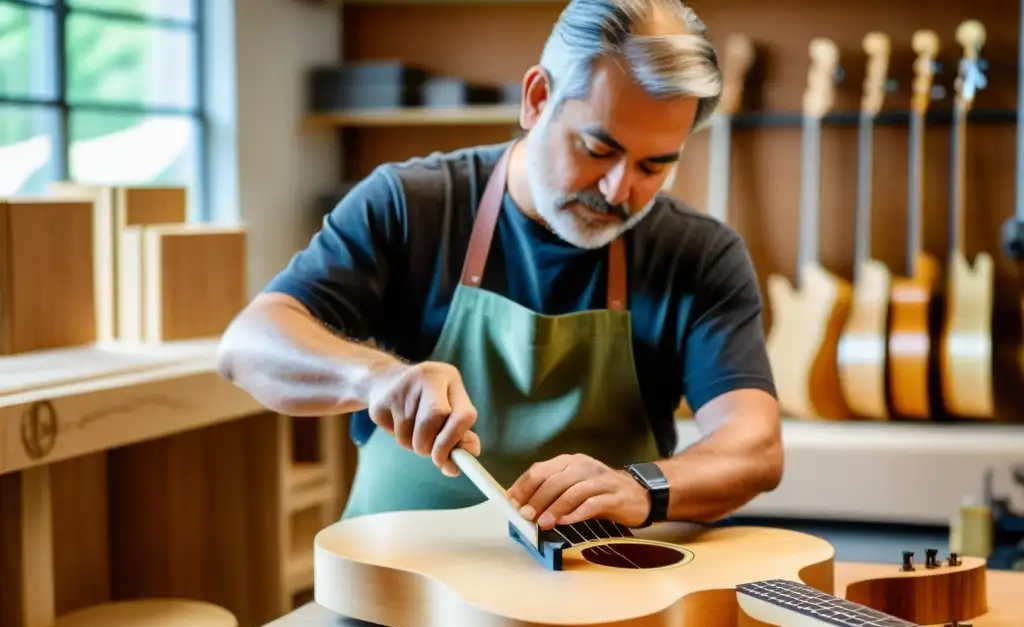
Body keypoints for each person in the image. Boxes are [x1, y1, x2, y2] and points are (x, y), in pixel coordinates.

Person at [216, 0, 782, 532]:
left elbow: (753, 447)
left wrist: (642, 486)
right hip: (399, 588)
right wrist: (377, 379)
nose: (619, 190)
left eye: (655, 166)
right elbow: (248, 346)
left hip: (596, 594)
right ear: (537, 98)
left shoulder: (700, 255)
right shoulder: (409, 205)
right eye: (598, 149)